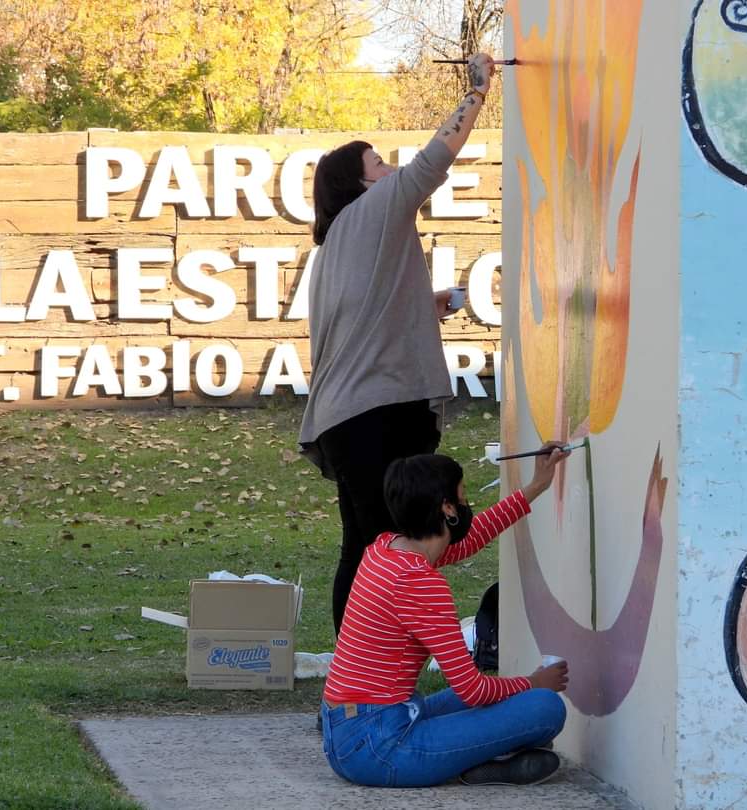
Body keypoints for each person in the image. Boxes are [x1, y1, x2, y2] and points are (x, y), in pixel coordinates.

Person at [299, 53, 498, 636]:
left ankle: (353, 677)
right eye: (377, 163)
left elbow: (367, 323)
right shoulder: (375, 207)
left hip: (345, 422)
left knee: (361, 547)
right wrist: (478, 92)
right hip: (377, 416)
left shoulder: (334, 245)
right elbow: (435, 159)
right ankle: (366, 683)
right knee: (391, 547)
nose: (387, 170)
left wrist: (426, 306)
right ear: (360, 182)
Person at [320, 442, 572, 788]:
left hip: (348, 731)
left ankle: (478, 759)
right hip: (379, 747)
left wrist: (536, 486)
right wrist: (532, 683)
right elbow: (472, 689)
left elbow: (470, 539)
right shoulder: (420, 582)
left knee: (508, 696)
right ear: (447, 509)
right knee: (544, 707)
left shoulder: (384, 550)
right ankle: (476, 756)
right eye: (463, 496)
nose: (467, 504)